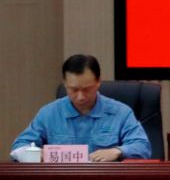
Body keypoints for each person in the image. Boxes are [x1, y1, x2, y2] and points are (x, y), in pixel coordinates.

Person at [11, 54, 150, 161]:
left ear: (98, 82)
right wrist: (35, 154)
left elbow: (143, 147)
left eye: (87, 89)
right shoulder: (49, 114)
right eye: (73, 89)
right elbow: (19, 146)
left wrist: (117, 151)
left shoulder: (120, 112)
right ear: (65, 84)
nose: (80, 97)